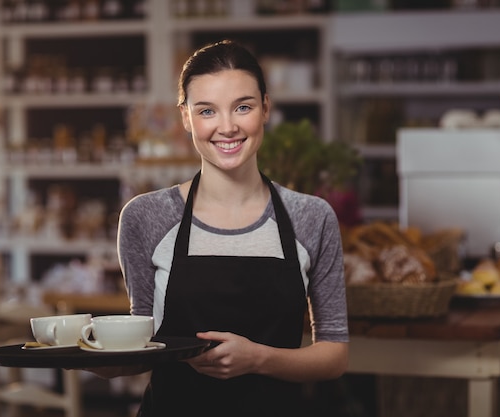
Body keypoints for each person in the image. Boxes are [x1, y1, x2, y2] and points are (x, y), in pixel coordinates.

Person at [116, 39, 349, 416]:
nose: (227, 127)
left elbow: (334, 355)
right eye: (207, 111)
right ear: (186, 117)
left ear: (266, 108)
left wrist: (259, 359)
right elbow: (142, 348)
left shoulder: (311, 217)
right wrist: (89, 357)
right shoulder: (146, 217)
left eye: (243, 107)